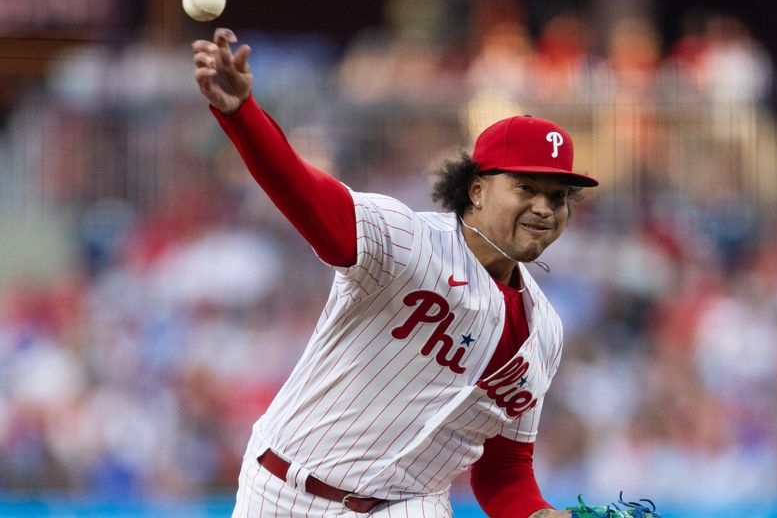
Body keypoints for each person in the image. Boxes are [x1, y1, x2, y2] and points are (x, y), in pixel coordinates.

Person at [192, 28, 599, 518]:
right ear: (477, 190)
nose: (544, 208)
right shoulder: (406, 241)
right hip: (285, 490)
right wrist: (242, 116)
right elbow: (306, 195)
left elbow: (503, 469)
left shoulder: (543, 333)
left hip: (409, 507)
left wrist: (536, 514)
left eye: (558, 198)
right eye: (527, 188)